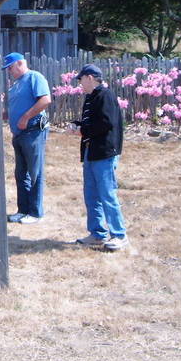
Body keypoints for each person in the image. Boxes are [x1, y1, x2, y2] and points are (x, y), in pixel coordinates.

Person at [73, 64, 128, 251]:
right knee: (91, 194)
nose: (80, 83)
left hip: (104, 153)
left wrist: (83, 130)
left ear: (90, 77)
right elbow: (93, 122)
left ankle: (119, 235)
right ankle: (97, 234)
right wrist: (78, 125)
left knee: (107, 194)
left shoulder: (105, 95)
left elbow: (106, 123)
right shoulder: (92, 97)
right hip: (91, 151)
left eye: (81, 79)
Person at [2, 52, 51, 224]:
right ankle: (23, 210)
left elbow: (45, 100)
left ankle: (35, 212)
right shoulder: (16, 84)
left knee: (35, 172)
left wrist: (25, 117)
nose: (9, 72)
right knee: (21, 173)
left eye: (10, 68)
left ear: (20, 64)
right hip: (19, 134)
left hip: (33, 131)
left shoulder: (34, 77)